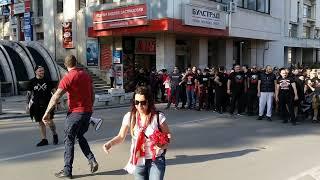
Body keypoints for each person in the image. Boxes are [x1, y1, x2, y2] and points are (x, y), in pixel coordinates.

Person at [42, 55, 98, 179]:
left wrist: (46, 113)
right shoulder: (86, 75)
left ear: (66, 65)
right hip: (87, 113)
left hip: (75, 114)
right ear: (76, 63)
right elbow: (92, 94)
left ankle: (67, 171)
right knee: (80, 136)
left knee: (69, 141)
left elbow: (56, 96)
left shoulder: (68, 78)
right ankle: (91, 159)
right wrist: (89, 109)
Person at [103, 86, 171, 180]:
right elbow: (121, 136)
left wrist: (161, 145)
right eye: (136, 102)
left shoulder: (158, 117)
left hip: (156, 160)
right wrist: (109, 144)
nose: (139, 106)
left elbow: (168, 137)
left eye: (143, 102)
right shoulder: (130, 117)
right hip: (138, 160)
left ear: (149, 102)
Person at [27, 65, 58, 147]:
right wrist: (27, 105)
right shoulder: (32, 81)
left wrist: (57, 102)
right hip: (36, 104)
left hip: (48, 104)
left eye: (43, 70)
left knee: (49, 120)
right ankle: (44, 139)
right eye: (40, 71)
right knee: (41, 122)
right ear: (35, 72)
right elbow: (29, 94)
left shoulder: (48, 80)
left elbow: (54, 92)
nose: (42, 72)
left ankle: (54, 134)